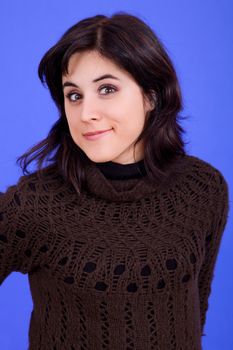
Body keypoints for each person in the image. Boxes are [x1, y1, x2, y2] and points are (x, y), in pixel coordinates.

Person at [0, 11, 229, 350]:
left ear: (151, 96)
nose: (85, 113)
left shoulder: (204, 188)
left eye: (106, 89)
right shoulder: (35, 204)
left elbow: (197, 310)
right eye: (73, 95)